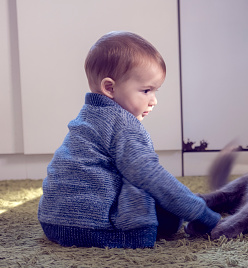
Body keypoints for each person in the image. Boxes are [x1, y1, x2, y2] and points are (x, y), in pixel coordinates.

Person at [38, 31, 220, 248]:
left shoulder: (89, 115)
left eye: (155, 91)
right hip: (94, 226)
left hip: (52, 221)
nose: (154, 101)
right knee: (153, 192)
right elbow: (152, 177)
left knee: (167, 211)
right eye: (146, 90)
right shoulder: (123, 125)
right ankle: (134, 235)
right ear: (110, 88)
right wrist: (204, 215)